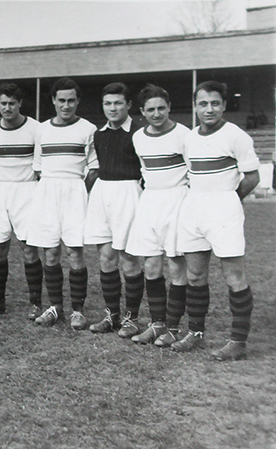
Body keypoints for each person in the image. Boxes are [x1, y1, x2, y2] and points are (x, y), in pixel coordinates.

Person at [172, 81, 260, 361]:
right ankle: (195, 333)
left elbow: (252, 177)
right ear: (195, 107)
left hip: (224, 208)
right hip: (193, 207)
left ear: (224, 105)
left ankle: (238, 341)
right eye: (203, 104)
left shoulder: (236, 136)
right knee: (195, 275)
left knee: (234, 276)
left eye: (215, 103)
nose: (209, 109)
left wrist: (230, 200)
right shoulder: (189, 138)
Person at [28, 77, 98, 329]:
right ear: (53, 101)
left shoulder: (88, 129)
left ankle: (78, 310)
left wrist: (79, 191)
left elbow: (94, 168)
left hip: (75, 191)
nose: (66, 106)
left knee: (74, 251)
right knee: (50, 251)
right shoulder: (42, 129)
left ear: (78, 101)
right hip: (48, 190)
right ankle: (55, 307)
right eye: (61, 100)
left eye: (71, 100)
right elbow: (38, 167)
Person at [125, 84, 189, 346]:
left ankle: (173, 327)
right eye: (150, 109)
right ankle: (157, 324)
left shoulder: (184, 135)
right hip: (150, 200)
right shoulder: (138, 138)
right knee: (151, 266)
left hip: (178, 201)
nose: (157, 113)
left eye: (161, 108)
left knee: (176, 266)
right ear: (142, 111)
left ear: (169, 107)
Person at [84, 82, 145, 336]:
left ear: (128, 105)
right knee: (106, 258)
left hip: (129, 193)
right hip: (103, 193)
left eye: (118, 103)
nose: (112, 108)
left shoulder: (140, 133)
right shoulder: (99, 134)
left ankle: (132, 318)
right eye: (107, 103)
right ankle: (112, 315)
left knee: (129, 259)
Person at [0, 82, 41, 315]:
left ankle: (35, 303)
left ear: (20, 104)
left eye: (12, 103)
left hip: (27, 190)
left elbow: (40, 165)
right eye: (3, 103)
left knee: (29, 248)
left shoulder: (35, 128)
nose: (7, 108)